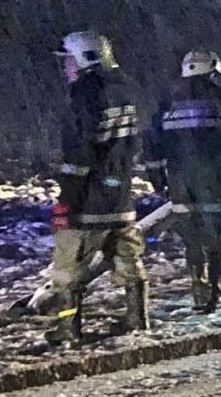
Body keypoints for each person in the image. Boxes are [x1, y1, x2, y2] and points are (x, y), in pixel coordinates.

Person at [145, 50, 221, 313]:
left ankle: (197, 283)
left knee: (191, 234)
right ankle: (213, 289)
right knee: (218, 235)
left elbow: (152, 142)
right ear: (213, 71)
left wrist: (157, 177)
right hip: (219, 178)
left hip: (181, 179)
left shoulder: (169, 102)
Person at [44, 30, 147, 342]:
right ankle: (136, 317)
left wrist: (66, 203)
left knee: (66, 269)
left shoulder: (85, 94)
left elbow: (80, 152)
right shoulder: (125, 88)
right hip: (121, 197)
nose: (65, 69)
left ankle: (66, 328)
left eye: (68, 62)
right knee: (129, 261)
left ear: (83, 59)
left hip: (88, 200)